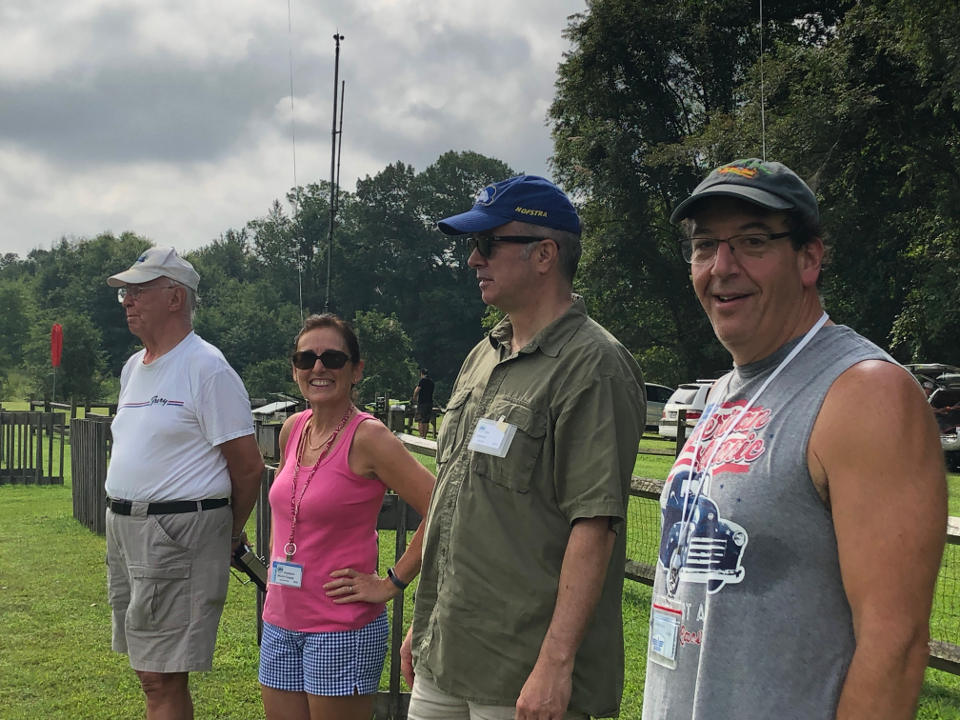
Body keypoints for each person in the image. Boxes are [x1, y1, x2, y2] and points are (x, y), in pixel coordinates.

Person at [642, 159, 947, 719]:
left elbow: (895, 648)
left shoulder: (865, 395)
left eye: (752, 242)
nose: (722, 267)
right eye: (705, 245)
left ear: (809, 258)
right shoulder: (725, 391)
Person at [400, 175, 646, 719]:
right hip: (447, 653)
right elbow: (454, 496)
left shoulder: (594, 366)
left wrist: (555, 664)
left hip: (523, 672)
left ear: (545, 254)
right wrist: (428, 621)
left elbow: (595, 525)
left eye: (487, 243)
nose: (472, 259)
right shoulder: (482, 354)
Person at [104, 246, 265, 720]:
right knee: (148, 669)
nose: (128, 301)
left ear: (175, 297)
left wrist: (228, 535)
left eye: (138, 291)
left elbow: (248, 466)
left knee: (160, 675)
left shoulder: (206, 367)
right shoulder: (134, 367)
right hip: (128, 531)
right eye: (125, 294)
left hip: (176, 534)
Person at [259, 313, 434, 720]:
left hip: (341, 629)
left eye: (333, 358)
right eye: (306, 359)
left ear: (356, 371)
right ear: (295, 369)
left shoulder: (369, 437)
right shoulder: (292, 429)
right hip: (281, 621)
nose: (318, 368)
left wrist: (391, 582)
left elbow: (442, 506)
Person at [412, 368, 435, 437]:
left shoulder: (422, 381)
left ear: (422, 373)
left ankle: (421, 436)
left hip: (422, 403)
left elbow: (417, 390)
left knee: (420, 420)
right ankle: (424, 436)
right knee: (426, 421)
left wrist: (414, 398)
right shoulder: (431, 382)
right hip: (429, 403)